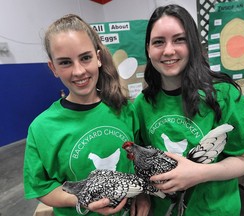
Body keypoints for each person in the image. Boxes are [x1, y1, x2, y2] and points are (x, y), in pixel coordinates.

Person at [133, 4, 244, 216]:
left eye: (179, 39)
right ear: (148, 49)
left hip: (215, 210)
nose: (168, 50)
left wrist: (199, 173)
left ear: (193, 44)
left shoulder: (223, 94)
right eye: (158, 42)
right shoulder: (142, 104)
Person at [23, 14, 149, 216]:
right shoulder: (41, 128)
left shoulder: (124, 109)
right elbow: (41, 187)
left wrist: (142, 194)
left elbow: (138, 162)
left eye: (85, 57)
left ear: (98, 58)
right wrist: (82, 198)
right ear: (53, 68)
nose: (79, 71)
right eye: (65, 62)